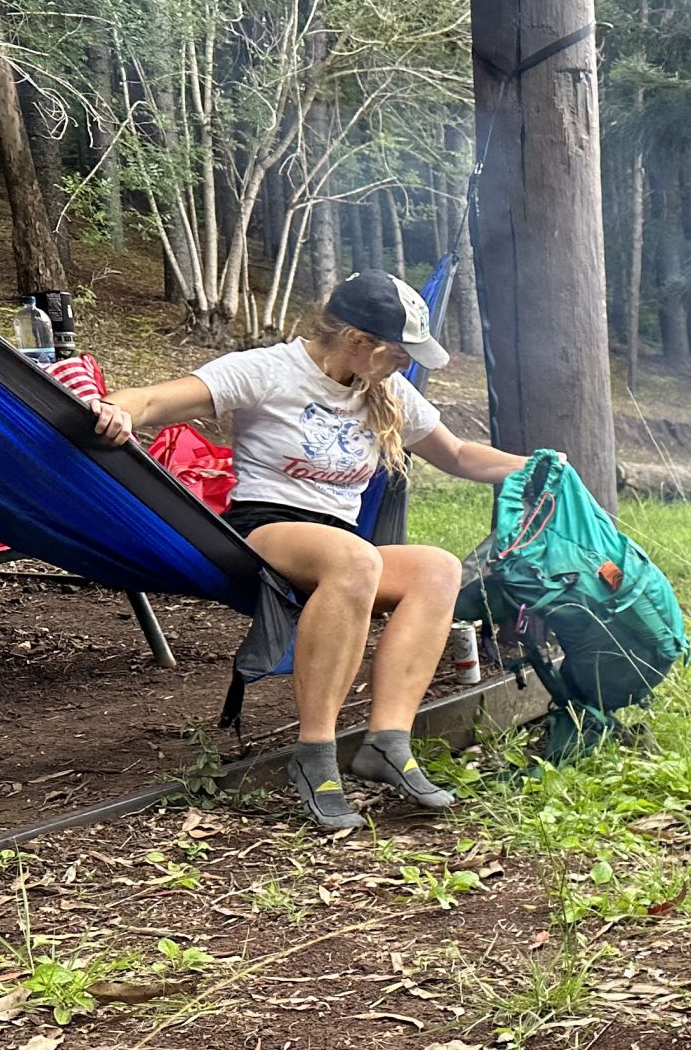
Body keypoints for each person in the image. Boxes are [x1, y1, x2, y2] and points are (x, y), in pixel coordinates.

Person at [91, 272, 528, 832]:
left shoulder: (388, 389)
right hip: (265, 530)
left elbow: (460, 455)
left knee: (436, 569)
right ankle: (315, 754)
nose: (403, 365)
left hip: (343, 545)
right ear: (357, 340)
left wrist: (537, 466)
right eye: (398, 353)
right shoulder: (268, 369)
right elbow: (154, 398)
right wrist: (118, 409)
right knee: (357, 559)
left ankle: (387, 742)